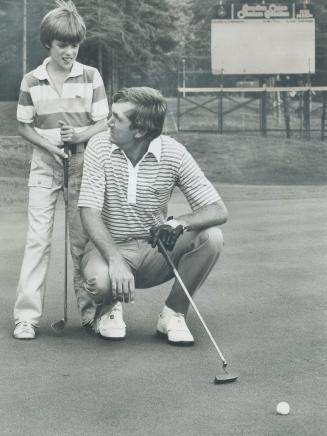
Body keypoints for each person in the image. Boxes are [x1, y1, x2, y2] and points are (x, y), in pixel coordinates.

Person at [78, 86, 228, 345]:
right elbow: (89, 211)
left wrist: (179, 223)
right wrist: (115, 259)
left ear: (140, 130)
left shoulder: (174, 152)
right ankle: (108, 309)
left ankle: (173, 313)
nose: (108, 123)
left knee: (212, 237)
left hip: (153, 250)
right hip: (107, 249)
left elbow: (217, 209)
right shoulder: (98, 144)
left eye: (117, 118)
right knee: (101, 282)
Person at [13, 0, 109, 339]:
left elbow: (104, 123)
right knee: (37, 241)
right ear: (48, 44)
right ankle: (26, 316)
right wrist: (50, 147)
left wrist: (79, 136)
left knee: (81, 243)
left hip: (81, 166)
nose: (69, 51)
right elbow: (24, 126)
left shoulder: (90, 76)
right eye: (62, 45)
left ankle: (89, 313)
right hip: (44, 166)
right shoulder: (32, 80)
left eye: (74, 45)